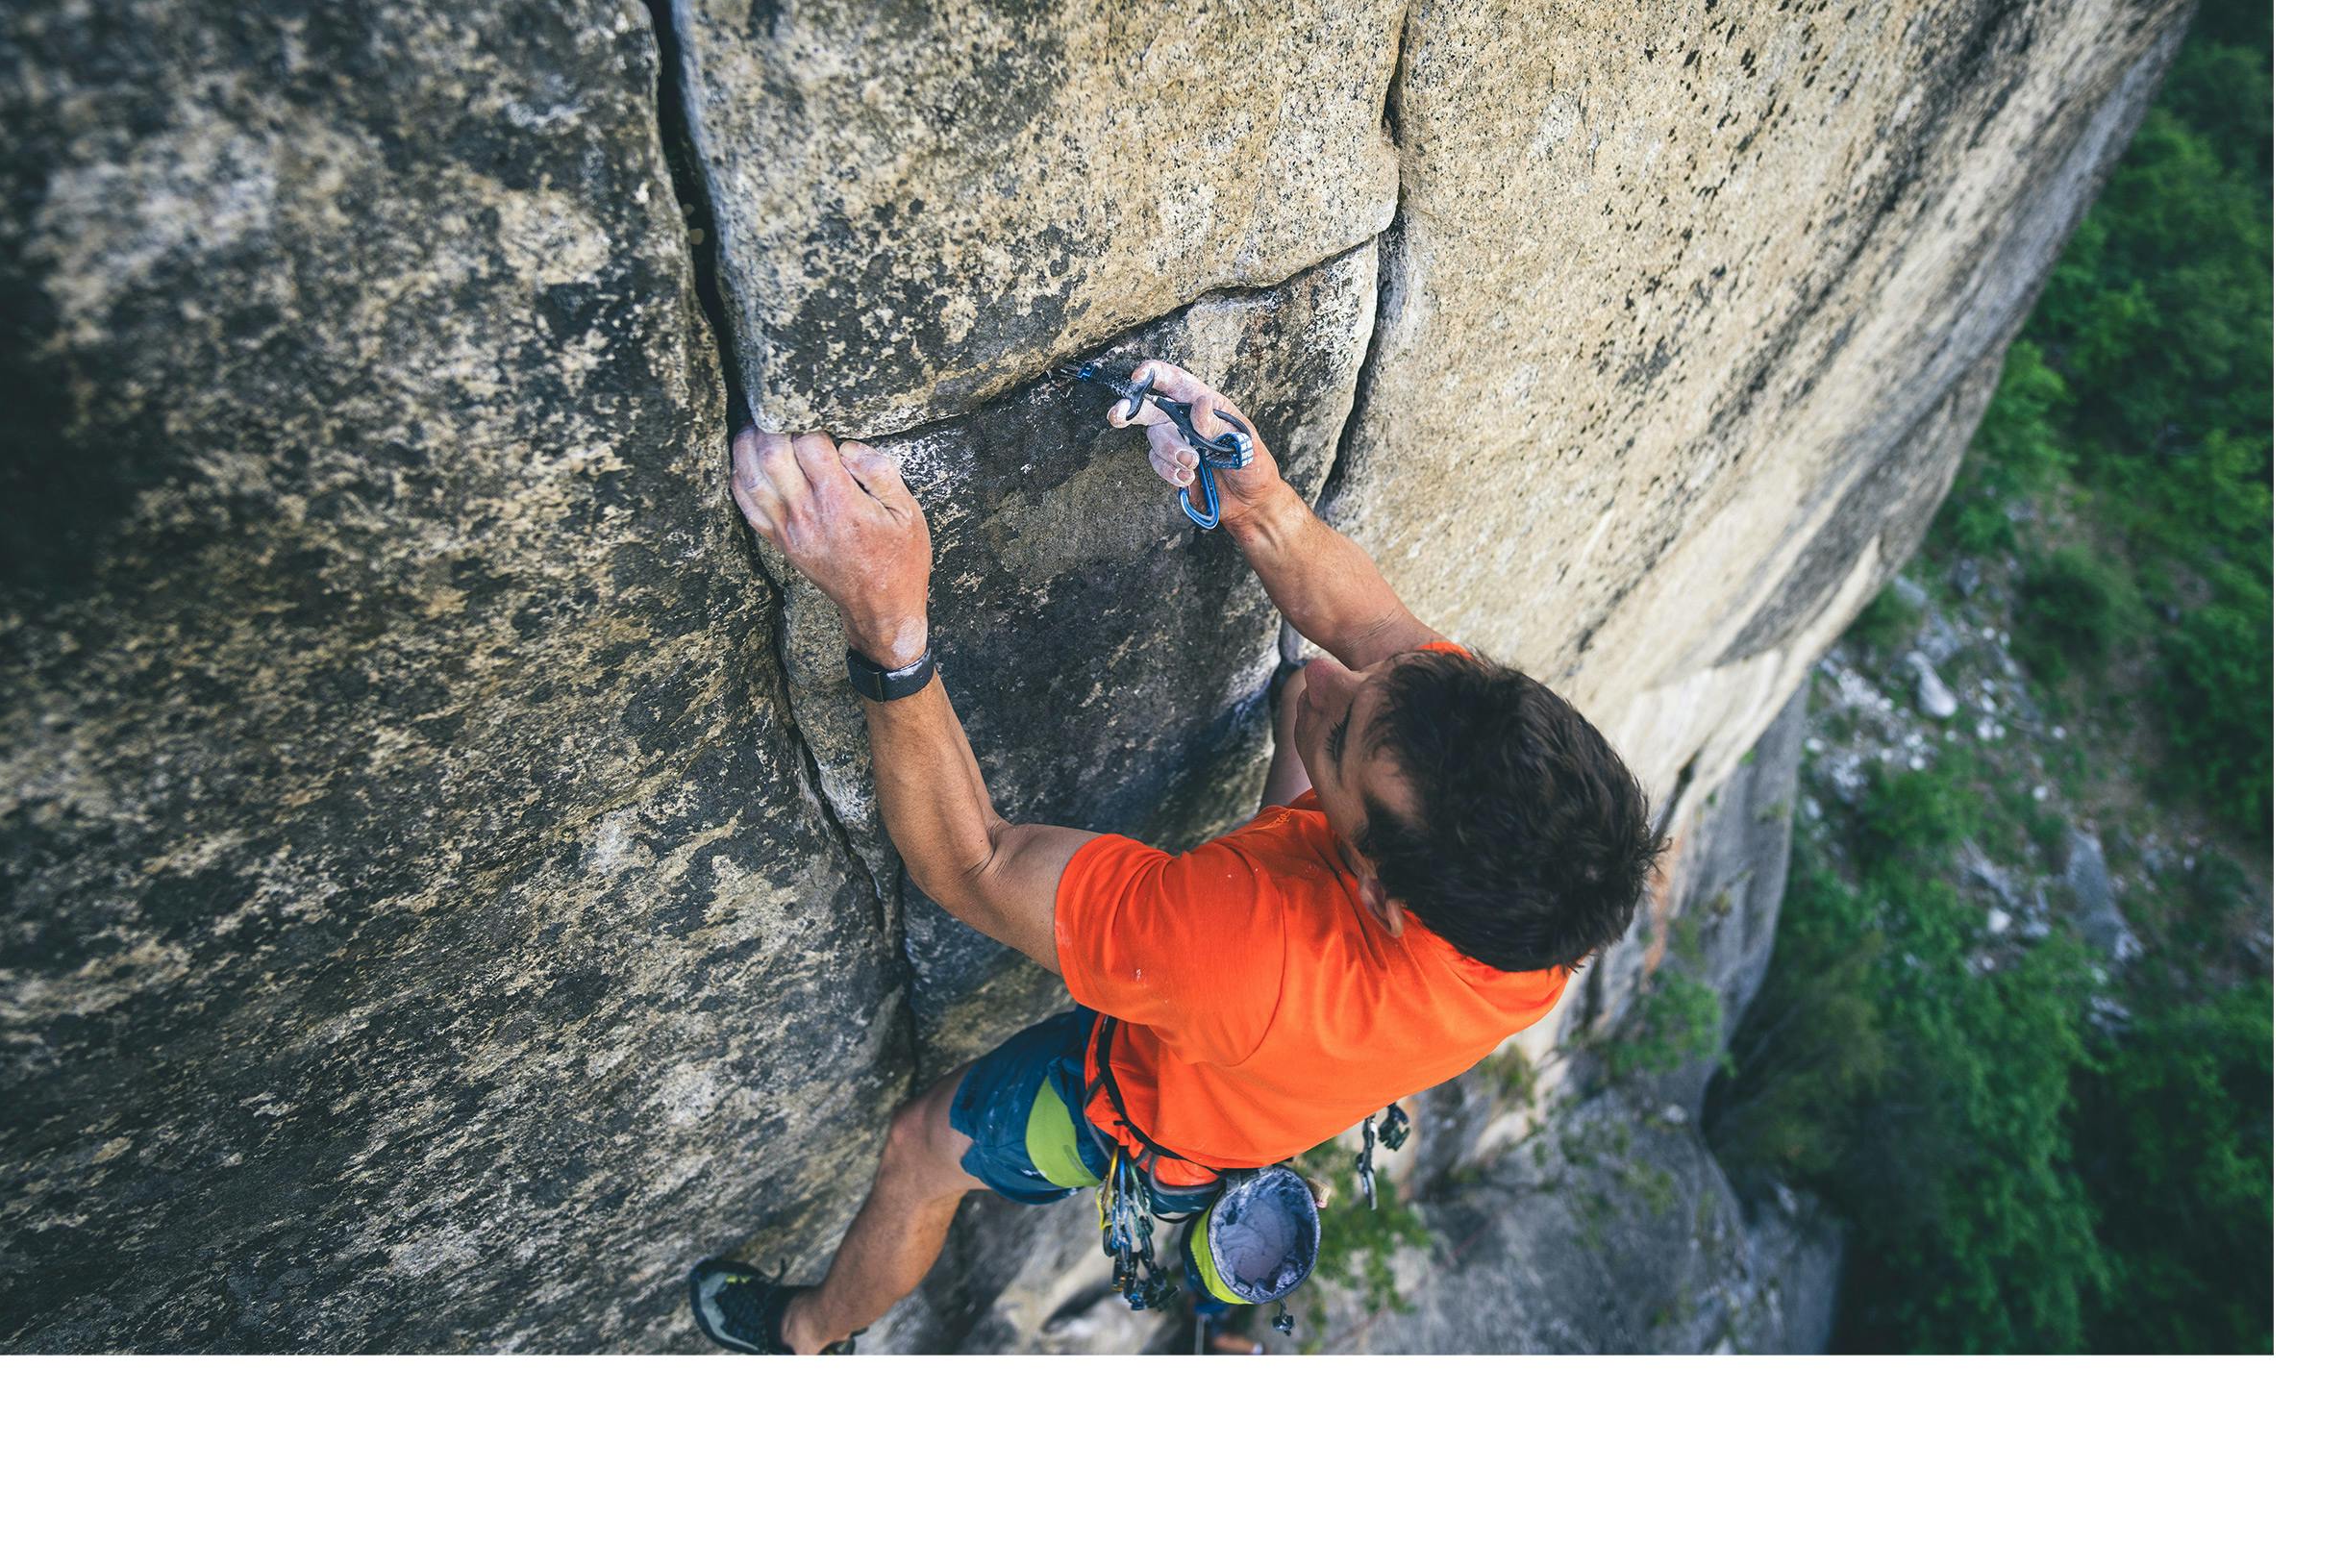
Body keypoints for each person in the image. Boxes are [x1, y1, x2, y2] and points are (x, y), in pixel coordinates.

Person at [692, 358, 1660, 1354]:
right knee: (1296, 706)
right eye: (1383, 684)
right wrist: (1258, 501)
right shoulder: (1547, 881)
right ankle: (1229, 1264)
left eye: (1345, 741)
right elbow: (1367, 635)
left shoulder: (1230, 947)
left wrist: (885, 619)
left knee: (918, 1149)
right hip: (1300, 1062)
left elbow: (973, 863)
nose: (1333, 676)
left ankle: (808, 1334)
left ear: (1380, 895)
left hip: (1155, 1091)